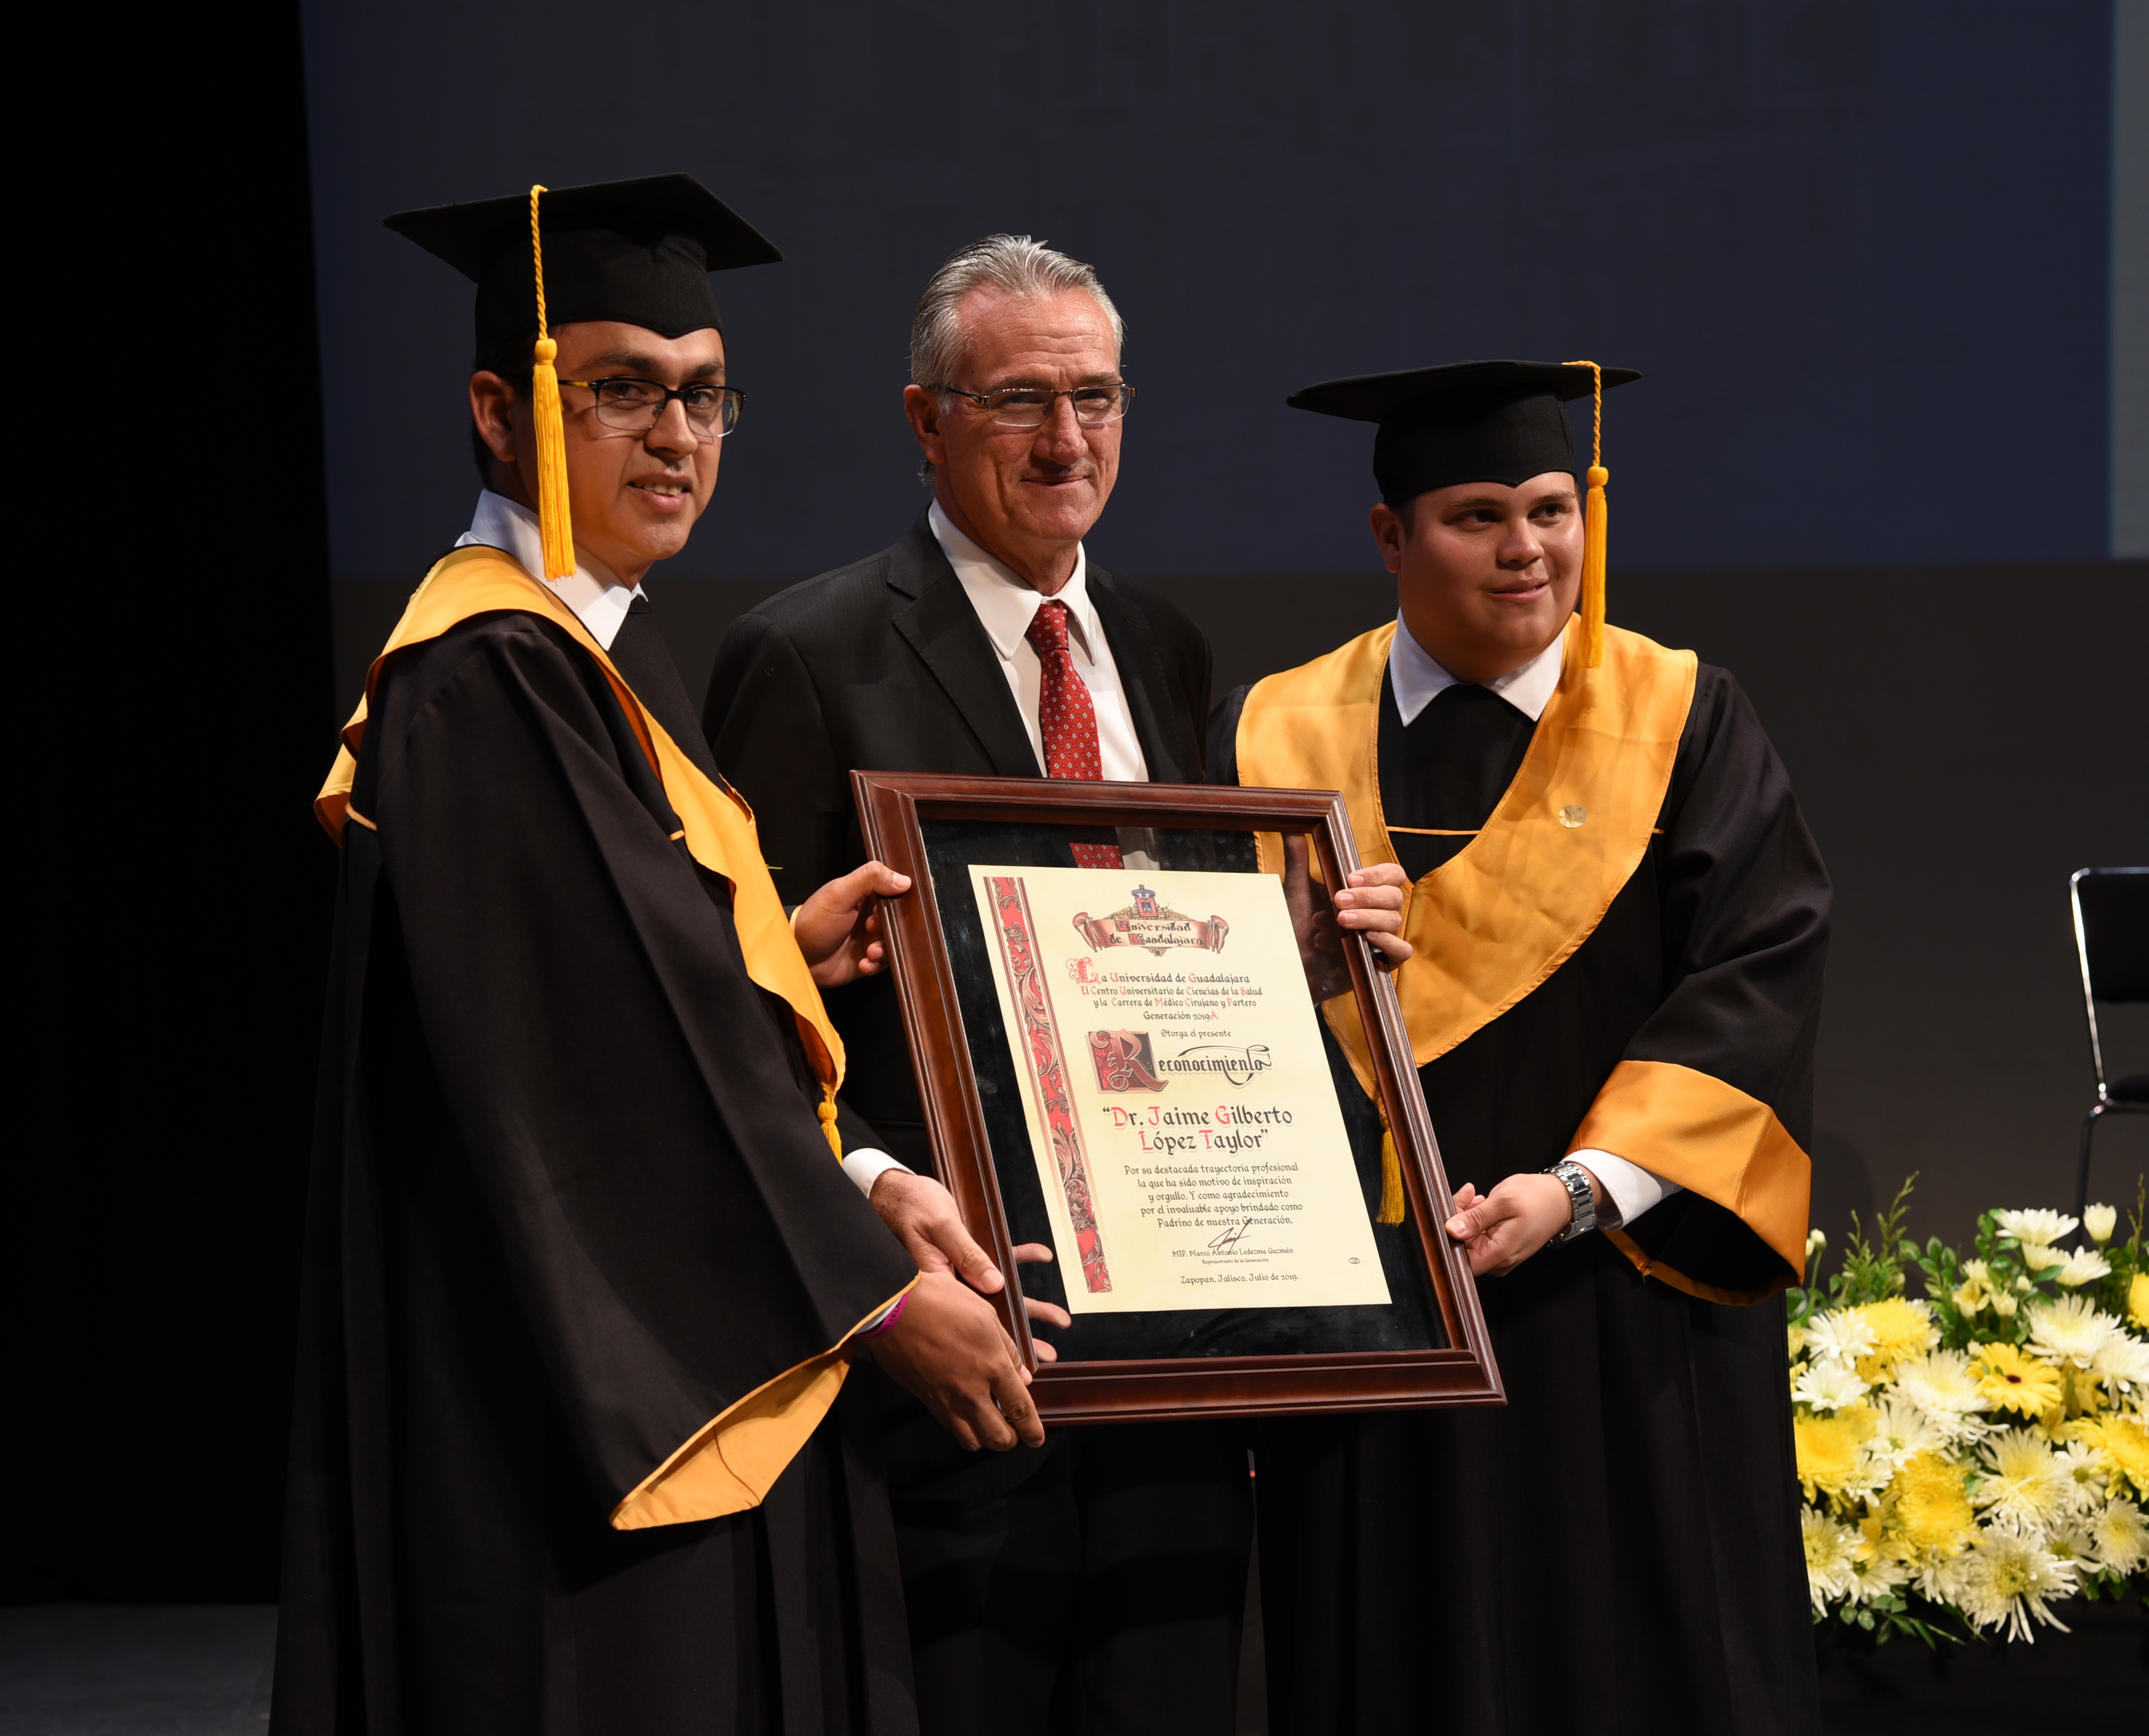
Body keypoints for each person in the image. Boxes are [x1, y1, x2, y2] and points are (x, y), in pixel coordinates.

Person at [273, 175, 1041, 1736]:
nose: (676, 437)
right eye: (619, 390)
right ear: (502, 412)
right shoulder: (491, 676)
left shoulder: (605, 651)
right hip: (569, 1400)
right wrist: (879, 1296)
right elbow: (610, 1070)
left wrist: (778, 981)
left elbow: (641, 977)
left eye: (702, 396)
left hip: (643, 1343)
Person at [701, 237, 1401, 1735]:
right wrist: (882, 1253)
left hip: (1170, 1342)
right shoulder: (807, 656)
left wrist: (1299, 967)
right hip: (957, 1336)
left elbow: (1161, 966)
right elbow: (743, 1022)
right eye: (1021, 399)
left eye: (1095, 397)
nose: (1067, 439)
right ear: (925, 420)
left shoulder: (1157, 644)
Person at [1213, 361, 1831, 1734]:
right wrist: (1298, 960)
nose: (1528, 548)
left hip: (1617, 1303)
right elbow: (1193, 1015)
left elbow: (1757, 972)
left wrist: (1582, 1189)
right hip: (1371, 1306)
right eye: (1477, 513)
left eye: (1553, 508)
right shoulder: (1273, 730)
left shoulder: (1684, 718)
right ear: (1390, 537)